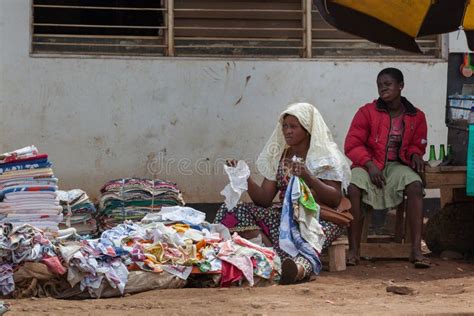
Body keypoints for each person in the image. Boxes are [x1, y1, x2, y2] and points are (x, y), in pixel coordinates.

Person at [214, 102, 351, 284]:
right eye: (285, 126)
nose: (287, 131)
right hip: (285, 216)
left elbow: (334, 199)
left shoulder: (323, 157)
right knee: (233, 210)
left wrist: (309, 178)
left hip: (316, 218)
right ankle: (269, 256)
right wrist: (245, 178)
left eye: (293, 127)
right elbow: (263, 199)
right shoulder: (282, 156)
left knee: (310, 242)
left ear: (308, 130)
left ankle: (298, 269)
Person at [344, 67, 430, 268]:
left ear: (401, 86)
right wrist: (369, 164)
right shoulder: (366, 112)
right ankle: (354, 250)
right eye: (379, 85)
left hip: (397, 166)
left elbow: (418, 143)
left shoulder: (417, 116)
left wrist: (416, 153)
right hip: (368, 163)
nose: (383, 88)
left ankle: (416, 250)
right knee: (353, 188)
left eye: (388, 84)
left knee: (415, 186)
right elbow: (352, 144)